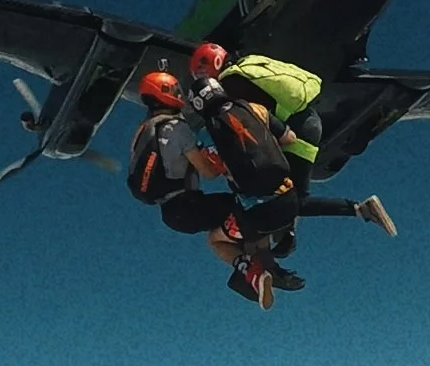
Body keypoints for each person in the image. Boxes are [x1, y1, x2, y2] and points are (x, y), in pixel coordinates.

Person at [184, 43, 397, 261]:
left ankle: (358, 208)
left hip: (293, 130)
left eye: (202, 72)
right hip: (311, 120)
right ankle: (292, 233)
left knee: (289, 200)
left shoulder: (232, 84)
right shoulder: (250, 63)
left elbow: (255, 123)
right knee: (296, 198)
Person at [127, 69, 302, 307]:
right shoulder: (177, 129)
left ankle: (252, 270)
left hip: (172, 213)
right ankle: (261, 270)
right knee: (246, 213)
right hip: (188, 205)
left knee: (226, 229)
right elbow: (208, 172)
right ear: (166, 93)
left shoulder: (144, 130)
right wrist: (229, 161)